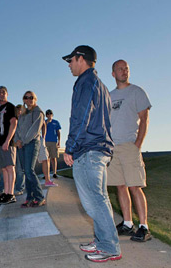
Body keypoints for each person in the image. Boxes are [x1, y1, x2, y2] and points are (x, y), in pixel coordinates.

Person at [62, 45, 121, 262]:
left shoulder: (85, 82)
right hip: (99, 149)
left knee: (95, 201)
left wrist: (70, 147)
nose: (69, 65)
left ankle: (109, 246)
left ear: (81, 59)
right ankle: (102, 240)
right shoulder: (101, 85)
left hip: (89, 150)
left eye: (71, 60)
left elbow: (81, 116)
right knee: (100, 199)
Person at [108, 59, 152, 242]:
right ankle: (127, 223)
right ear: (113, 74)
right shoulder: (109, 96)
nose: (124, 71)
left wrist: (137, 145)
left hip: (129, 146)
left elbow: (144, 118)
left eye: (126, 68)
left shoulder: (136, 92)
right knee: (120, 186)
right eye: (120, 69)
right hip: (113, 148)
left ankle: (144, 227)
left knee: (134, 186)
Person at [14, 91, 46, 208]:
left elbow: (35, 130)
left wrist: (23, 141)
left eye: (31, 97)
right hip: (21, 145)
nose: (29, 100)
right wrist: (17, 140)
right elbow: (18, 128)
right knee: (25, 171)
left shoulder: (38, 112)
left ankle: (40, 197)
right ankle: (30, 198)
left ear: (35, 99)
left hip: (31, 143)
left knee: (29, 170)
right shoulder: (23, 113)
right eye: (26, 98)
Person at [0, 86, 17, 204]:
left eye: (3, 92)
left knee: (10, 167)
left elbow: (14, 123)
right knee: (4, 169)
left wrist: (7, 141)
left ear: (7, 94)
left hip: (8, 143)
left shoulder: (11, 107)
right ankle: (5, 193)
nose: (1, 94)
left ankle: (11, 194)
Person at [0, 104, 25, 196]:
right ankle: (2, 189)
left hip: (19, 146)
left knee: (18, 169)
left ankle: (18, 189)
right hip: (10, 145)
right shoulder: (9, 119)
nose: (19, 112)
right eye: (17, 111)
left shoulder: (23, 121)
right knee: (5, 168)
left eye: (20, 111)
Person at [45, 109, 61, 179]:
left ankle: (54, 172)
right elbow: (41, 131)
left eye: (50, 114)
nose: (49, 115)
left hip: (54, 141)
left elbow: (58, 132)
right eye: (47, 114)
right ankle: (47, 174)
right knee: (46, 158)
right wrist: (46, 123)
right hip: (46, 141)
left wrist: (59, 141)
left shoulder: (56, 122)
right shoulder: (44, 122)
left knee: (53, 158)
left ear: (52, 115)